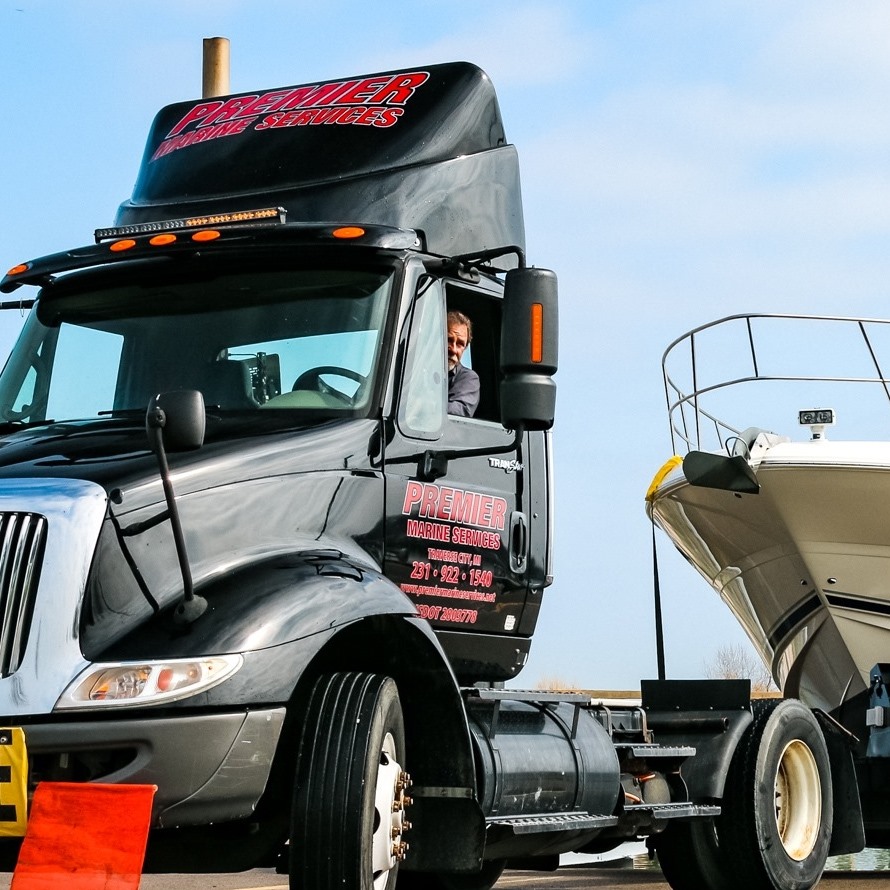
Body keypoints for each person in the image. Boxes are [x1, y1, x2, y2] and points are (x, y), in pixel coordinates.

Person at [447, 310, 480, 417]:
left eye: (460, 344)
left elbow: (459, 411)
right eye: (449, 340)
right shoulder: (417, 370)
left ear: (465, 348)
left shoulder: (468, 378)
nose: (453, 350)